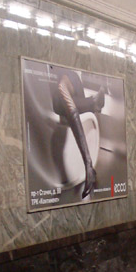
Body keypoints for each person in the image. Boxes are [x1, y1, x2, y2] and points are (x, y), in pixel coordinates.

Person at [50, 66, 105, 200]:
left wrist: (88, 164)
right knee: (57, 103)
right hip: (69, 87)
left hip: (68, 80)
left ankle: (88, 165)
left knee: (60, 92)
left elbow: (61, 86)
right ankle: (91, 103)